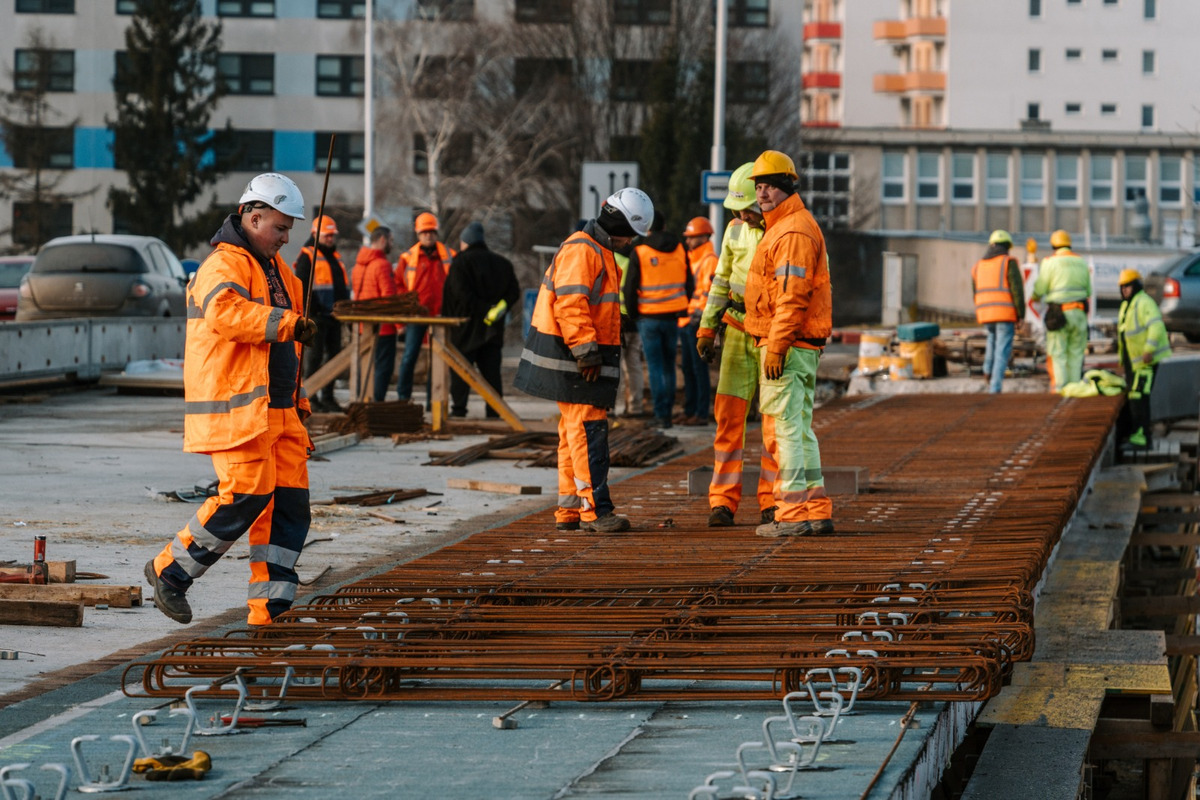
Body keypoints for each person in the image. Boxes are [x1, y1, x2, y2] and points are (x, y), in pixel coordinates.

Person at [144, 173, 318, 626]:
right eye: (279, 228)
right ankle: (170, 570)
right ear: (252, 215)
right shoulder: (224, 265)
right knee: (245, 494)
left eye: (289, 230)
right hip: (239, 411)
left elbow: (288, 350)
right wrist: (287, 323)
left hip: (280, 413)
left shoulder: (284, 275)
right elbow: (227, 314)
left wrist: (298, 402)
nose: (285, 238)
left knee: (287, 510)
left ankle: (271, 611)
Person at [514, 187, 654, 534]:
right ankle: (596, 511)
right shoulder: (584, 249)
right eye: (631, 236)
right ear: (621, 225)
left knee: (572, 434)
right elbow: (571, 303)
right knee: (589, 434)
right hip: (575, 358)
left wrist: (617, 324)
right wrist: (586, 350)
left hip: (576, 356)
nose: (630, 243)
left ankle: (570, 510)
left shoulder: (596, 249)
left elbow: (592, 303)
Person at [742, 150, 834, 538]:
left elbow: (792, 297)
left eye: (768, 187)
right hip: (799, 345)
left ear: (785, 187)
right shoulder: (787, 226)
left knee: (785, 431)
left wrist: (776, 345)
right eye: (758, 187)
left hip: (788, 345)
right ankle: (815, 509)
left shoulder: (791, 232)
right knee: (799, 428)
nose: (761, 194)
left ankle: (793, 514)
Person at [695, 162, 779, 528]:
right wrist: (707, 328)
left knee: (774, 424)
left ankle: (772, 501)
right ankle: (722, 501)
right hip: (738, 332)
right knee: (729, 419)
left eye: (746, 208)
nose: (742, 214)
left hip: (773, 337)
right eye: (738, 209)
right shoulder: (734, 231)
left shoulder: (785, 232)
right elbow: (720, 281)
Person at [442, 221, 520, 418]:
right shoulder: (503, 264)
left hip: (464, 328)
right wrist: (496, 311)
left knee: (461, 370)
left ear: (465, 242)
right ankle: (494, 410)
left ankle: (459, 409)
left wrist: (482, 310)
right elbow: (514, 293)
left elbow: (459, 295)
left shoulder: (460, 264)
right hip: (492, 329)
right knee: (491, 372)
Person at [622, 211, 693, 429]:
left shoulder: (640, 251)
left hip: (648, 318)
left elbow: (630, 288)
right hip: (672, 316)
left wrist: (634, 315)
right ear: (664, 226)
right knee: (669, 366)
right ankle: (668, 415)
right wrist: (682, 305)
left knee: (655, 367)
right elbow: (690, 283)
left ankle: (661, 414)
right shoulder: (680, 248)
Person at [395, 212, 456, 405]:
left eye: (431, 232)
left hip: (440, 315)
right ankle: (403, 397)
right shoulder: (407, 257)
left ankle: (434, 400)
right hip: (416, 315)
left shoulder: (449, 255)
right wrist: (405, 313)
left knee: (438, 359)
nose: (428, 235)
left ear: (436, 233)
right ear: (418, 234)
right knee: (409, 357)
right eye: (424, 232)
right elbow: (398, 285)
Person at [292, 215, 350, 411]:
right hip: (316, 317)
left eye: (332, 236)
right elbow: (302, 286)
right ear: (315, 234)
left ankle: (327, 397)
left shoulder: (334, 257)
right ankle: (311, 397)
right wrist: (312, 312)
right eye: (327, 235)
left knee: (334, 357)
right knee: (314, 358)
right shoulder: (307, 256)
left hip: (333, 316)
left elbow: (341, 287)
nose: (330, 239)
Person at [1032, 229, 1092, 392]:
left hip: (1059, 314)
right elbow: (1088, 291)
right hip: (1079, 313)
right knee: (1076, 352)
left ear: (1053, 245)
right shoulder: (1081, 262)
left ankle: (1060, 390)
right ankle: (1074, 388)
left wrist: (1034, 297)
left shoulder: (1050, 262)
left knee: (1058, 353)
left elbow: (1040, 288)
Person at [1117, 268, 1172, 448]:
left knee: (1140, 398)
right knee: (1135, 397)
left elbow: (1156, 327)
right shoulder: (1128, 305)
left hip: (1144, 362)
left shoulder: (1143, 303)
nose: (1125, 290)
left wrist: (1148, 350)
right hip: (1134, 363)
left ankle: (1142, 439)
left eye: (1128, 286)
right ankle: (1136, 434)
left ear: (1136, 286)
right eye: (1122, 287)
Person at [971, 230, 1025, 394]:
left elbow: (975, 291)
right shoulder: (1008, 262)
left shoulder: (978, 265)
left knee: (991, 341)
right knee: (1002, 349)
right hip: (1004, 313)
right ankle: (995, 387)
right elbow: (1017, 290)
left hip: (986, 313)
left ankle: (987, 370)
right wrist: (1021, 314)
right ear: (1007, 247)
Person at [351, 226, 399, 402]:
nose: (392, 245)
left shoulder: (358, 266)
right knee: (382, 369)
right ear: (383, 240)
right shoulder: (383, 265)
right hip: (383, 327)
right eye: (391, 241)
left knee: (364, 367)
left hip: (363, 326)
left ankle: (361, 401)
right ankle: (376, 405)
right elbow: (389, 298)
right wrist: (400, 325)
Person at [678, 216, 717, 425]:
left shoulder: (709, 260)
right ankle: (690, 409)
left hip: (696, 321)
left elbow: (710, 294)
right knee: (688, 368)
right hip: (686, 321)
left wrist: (699, 317)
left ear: (703, 237)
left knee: (698, 369)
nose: (688, 242)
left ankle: (701, 413)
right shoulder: (693, 259)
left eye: (691, 238)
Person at [615, 246, 648, 417]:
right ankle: (635, 408)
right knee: (634, 365)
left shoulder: (607, 258)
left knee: (614, 366)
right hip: (635, 320)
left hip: (617, 321)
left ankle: (610, 407)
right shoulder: (633, 259)